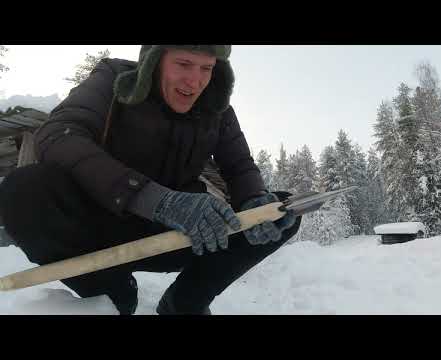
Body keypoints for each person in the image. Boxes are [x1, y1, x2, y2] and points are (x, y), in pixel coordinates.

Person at [0, 45, 301, 315]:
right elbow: (58, 135)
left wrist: (255, 201)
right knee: (22, 191)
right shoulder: (113, 78)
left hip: (175, 233)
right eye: (183, 64)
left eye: (206, 68)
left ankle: (185, 303)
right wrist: (156, 200)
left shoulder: (218, 110)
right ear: (155, 60)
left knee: (282, 210)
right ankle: (112, 292)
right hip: (96, 225)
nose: (194, 81)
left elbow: (240, 168)